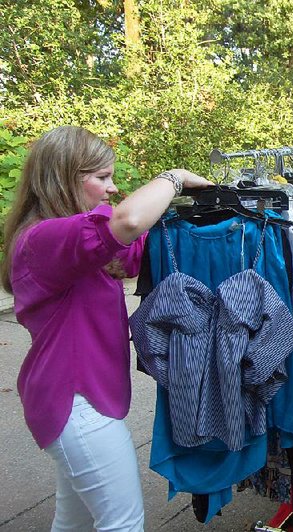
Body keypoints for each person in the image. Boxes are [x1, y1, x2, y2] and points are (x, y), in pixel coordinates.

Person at [0, 125, 211, 531]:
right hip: (74, 402)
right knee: (123, 524)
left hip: (73, 398)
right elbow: (128, 222)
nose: (112, 188)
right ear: (62, 177)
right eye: (101, 177)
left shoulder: (70, 239)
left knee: (73, 522)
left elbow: (131, 251)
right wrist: (175, 177)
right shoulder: (43, 239)